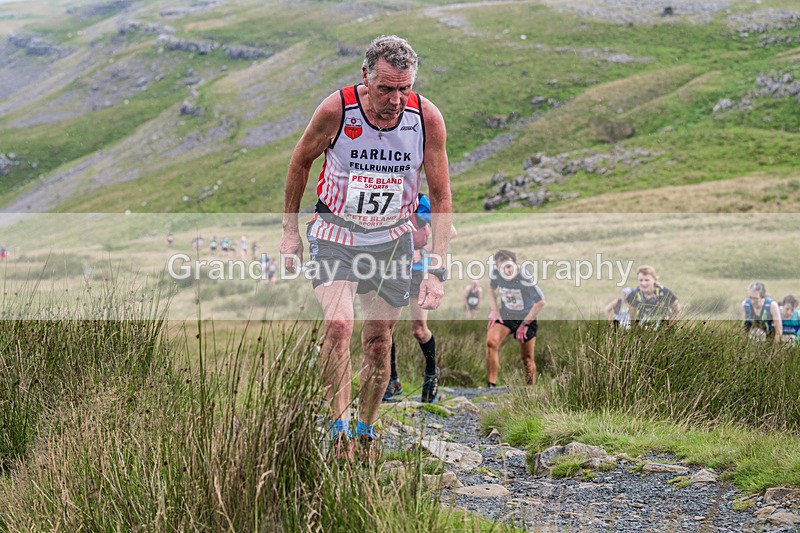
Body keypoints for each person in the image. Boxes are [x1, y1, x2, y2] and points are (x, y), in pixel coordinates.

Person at [279, 35, 452, 460]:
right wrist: (289, 231)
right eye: (386, 88)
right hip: (335, 234)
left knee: (379, 341)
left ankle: (366, 431)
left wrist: (436, 267)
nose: (395, 100)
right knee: (339, 326)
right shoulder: (337, 110)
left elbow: (442, 194)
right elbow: (300, 161)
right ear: (366, 77)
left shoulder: (426, 118)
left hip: (392, 241)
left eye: (404, 89)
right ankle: (338, 432)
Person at [383, 193, 457, 403]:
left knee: (418, 329)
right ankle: (392, 380)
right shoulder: (382, 195)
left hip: (418, 272)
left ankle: (431, 373)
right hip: (392, 270)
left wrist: (422, 248)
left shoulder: (420, 201)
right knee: (386, 327)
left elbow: (450, 231)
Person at [486, 249, 545, 388]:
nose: (506, 271)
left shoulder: (524, 277)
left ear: (514, 264)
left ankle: (530, 391)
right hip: (507, 314)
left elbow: (540, 302)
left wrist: (525, 324)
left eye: (508, 267)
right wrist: (494, 310)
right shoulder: (495, 273)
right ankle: (491, 386)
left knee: (527, 358)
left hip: (527, 316)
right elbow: (490, 288)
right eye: (501, 267)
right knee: (491, 342)